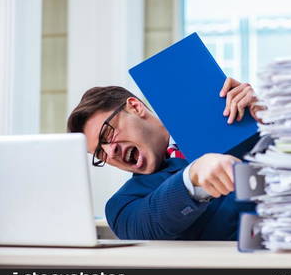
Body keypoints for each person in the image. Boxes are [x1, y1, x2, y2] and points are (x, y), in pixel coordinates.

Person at [67, 78, 262, 240]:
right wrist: (192, 177)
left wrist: (272, 116)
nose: (110, 152)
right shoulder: (122, 206)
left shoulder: (238, 124)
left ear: (135, 107)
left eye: (106, 135)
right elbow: (146, 227)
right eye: (99, 154)